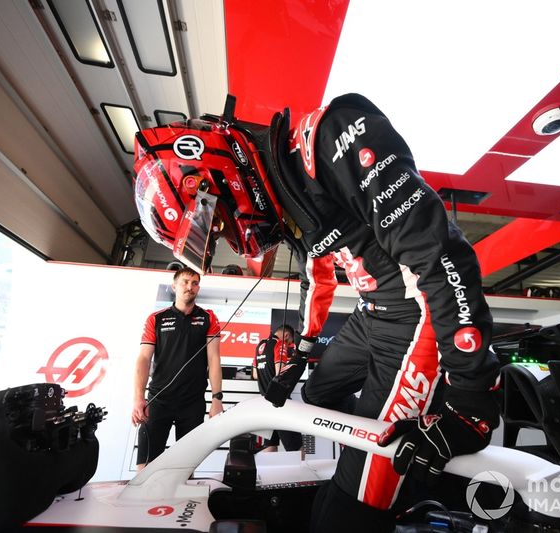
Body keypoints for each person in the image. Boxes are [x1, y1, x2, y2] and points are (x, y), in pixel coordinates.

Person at [133, 93, 500, 532]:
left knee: (346, 512)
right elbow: (316, 274)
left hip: (417, 315)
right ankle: (375, 459)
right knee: (316, 396)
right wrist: (302, 352)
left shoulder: (333, 137)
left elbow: (442, 258)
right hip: (371, 315)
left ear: (214, 181)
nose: (234, 237)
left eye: (221, 225)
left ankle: (375, 480)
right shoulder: (288, 192)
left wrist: (473, 398)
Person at [131, 266, 224, 470]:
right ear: (174, 286)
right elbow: (144, 359)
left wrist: (217, 399)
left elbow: (214, 359)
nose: (190, 287)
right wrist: (139, 398)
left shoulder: (208, 318)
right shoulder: (156, 318)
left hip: (192, 403)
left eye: (195, 283)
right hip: (158, 400)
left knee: (185, 468)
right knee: (145, 467)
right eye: (185, 282)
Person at [252, 324, 303, 455]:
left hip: (265, 404)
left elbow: (255, 374)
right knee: (298, 450)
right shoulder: (280, 344)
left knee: (270, 447)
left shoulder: (260, 346)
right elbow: (280, 374)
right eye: (289, 341)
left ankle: (262, 475)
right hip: (280, 404)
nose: (288, 344)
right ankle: (298, 476)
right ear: (286, 335)